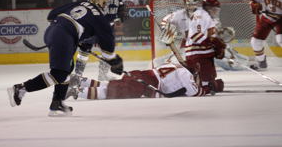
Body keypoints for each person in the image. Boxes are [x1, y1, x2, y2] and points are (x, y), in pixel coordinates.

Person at [7, 0, 124, 116]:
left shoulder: (79, 3)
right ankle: (21, 88)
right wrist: (114, 61)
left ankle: (57, 103)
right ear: (101, 4)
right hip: (64, 36)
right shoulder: (99, 17)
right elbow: (107, 43)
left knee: (67, 69)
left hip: (53, 31)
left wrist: (71, 35)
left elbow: (51, 15)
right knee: (59, 74)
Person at [65, 61, 224, 100]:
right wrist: (209, 89)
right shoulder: (185, 74)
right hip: (147, 83)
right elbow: (194, 93)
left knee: (115, 85)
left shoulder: (173, 64)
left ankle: (82, 81)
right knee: (114, 92)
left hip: (140, 74)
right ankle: (78, 91)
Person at [73, 0, 126, 82]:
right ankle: (77, 75)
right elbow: (89, 6)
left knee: (107, 50)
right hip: (94, 25)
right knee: (84, 50)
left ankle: (103, 74)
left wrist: (120, 16)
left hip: (108, 25)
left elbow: (120, 4)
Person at [184, 0, 226, 90]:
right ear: (208, 7)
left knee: (213, 82)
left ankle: (206, 84)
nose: (216, 12)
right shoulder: (201, 15)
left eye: (217, 10)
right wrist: (214, 42)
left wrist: (217, 48)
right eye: (214, 9)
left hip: (203, 54)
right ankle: (203, 86)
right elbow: (196, 35)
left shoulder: (208, 17)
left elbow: (209, 38)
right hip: (197, 54)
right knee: (207, 85)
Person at [249, 0, 282, 70]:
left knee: (281, 39)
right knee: (255, 41)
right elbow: (253, 0)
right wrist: (254, 5)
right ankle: (261, 61)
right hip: (267, 15)